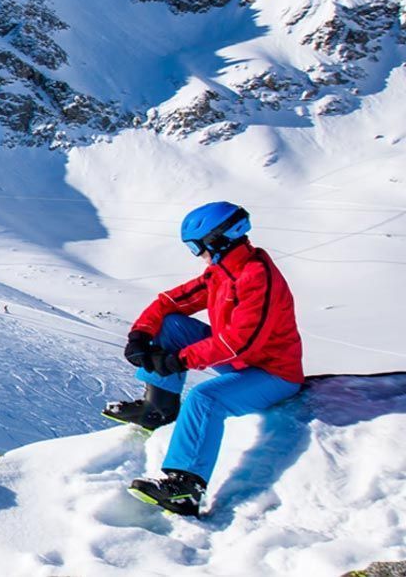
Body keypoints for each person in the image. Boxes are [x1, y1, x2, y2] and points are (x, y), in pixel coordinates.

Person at [106, 201, 304, 517]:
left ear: (218, 240)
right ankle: (158, 409)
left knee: (205, 399)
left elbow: (241, 343)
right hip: (242, 361)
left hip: (273, 373)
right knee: (171, 324)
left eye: (196, 247)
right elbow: (170, 302)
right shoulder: (222, 273)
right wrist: (140, 334)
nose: (197, 255)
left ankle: (185, 488)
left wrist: (180, 359)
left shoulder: (257, 277)